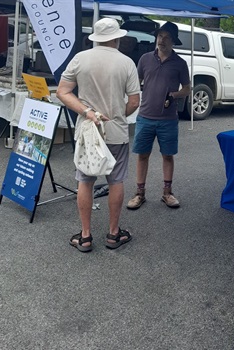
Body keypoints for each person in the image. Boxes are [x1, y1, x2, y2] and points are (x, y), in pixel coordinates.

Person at [56, 18, 141, 252]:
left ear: (95, 37)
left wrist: (87, 111)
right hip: (115, 131)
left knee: (85, 180)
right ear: (117, 37)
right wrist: (116, 114)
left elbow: (62, 92)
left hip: (88, 131)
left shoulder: (80, 58)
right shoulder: (126, 63)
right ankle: (113, 234)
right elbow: (134, 101)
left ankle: (85, 236)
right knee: (116, 181)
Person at [127, 22, 191, 210]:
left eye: (167, 37)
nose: (162, 40)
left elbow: (187, 89)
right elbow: (135, 82)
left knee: (168, 156)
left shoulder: (180, 63)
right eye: (160, 36)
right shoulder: (145, 59)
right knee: (142, 156)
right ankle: (139, 194)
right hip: (145, 116)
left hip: (168, 119)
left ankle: (167, 193)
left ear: (173, 41)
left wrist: (174, 95)